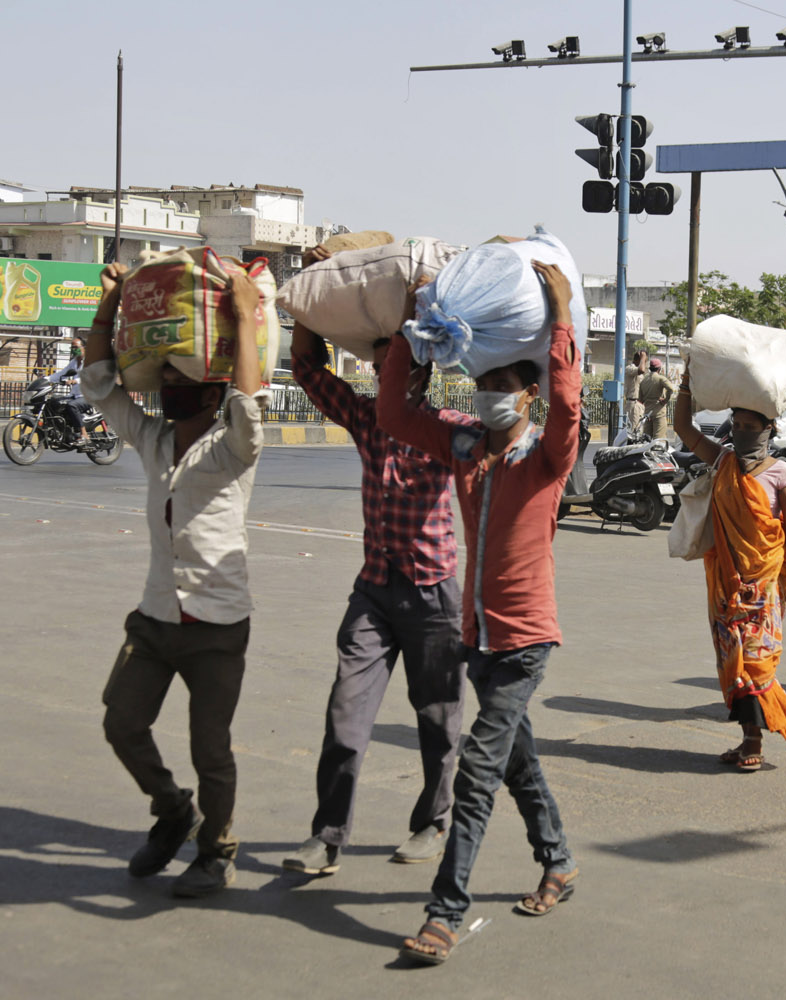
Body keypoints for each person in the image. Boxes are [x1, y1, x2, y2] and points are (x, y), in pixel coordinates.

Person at [384, 261, 580, 965]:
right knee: (519, 762)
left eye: (506, 385)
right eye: (486, 382)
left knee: (478, 771)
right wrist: (415, 335)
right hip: (479, 639)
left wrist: (559, 319)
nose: (492, 393)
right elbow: (395, 415)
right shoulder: (467, 450)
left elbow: (568, 409)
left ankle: (445, 912)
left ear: (529, 394)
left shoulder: (546, 459)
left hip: (526, 640)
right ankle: (558, 861)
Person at [82, 261, 267, 897]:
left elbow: (248, 407)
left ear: (209, 392)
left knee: (210, 748)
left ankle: (217, 850)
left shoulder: (231, 450)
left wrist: (242, 314)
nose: (168, 385)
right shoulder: (153, 441)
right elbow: (100, 384)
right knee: (120, 722)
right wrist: (110, 308)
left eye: (180, 379)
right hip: (157, 618)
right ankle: (172, 811)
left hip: (217, 625)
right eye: (164, 379)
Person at [280, 253, 467, 876]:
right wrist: (304, 296)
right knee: (344, 717)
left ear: (418, 369)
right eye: (381, 361)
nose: (383, 370)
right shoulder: (364, 418)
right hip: (375, 592)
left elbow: (510, 430)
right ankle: (327, 836)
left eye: (396, 360)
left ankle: (433, 822)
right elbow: (306, 366)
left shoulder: (446, 427)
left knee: (439, 722)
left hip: (434, 593)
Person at [673, 369, 786, 770]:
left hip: (765, 584)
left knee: (756, 660)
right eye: (736, 425)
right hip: (725, 583)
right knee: (732, 659)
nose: (741, 433)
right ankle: (748, 738)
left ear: (769, 429)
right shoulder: (722, 460)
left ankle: (754, 741)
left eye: (750, 427)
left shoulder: (782, 474)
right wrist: (687, 381)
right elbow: (683, 427)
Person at [637, 358, 674, 441]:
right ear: (659, 369)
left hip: (647, 414)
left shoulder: (644, 380)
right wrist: (665, 400)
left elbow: (640, 399)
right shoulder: (661, 379)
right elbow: (671, 389)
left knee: (646, 440)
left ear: (650, 368)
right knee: (659, 440)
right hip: (659, 413)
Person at [624, 350, 647, 434]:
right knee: (634, 432)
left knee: (639, 431)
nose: (645, 363)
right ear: (638, 360)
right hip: (633, 404)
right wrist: (643, 357)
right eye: (644, 361)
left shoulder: (639, 371)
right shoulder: (630, 368)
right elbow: (641, 370)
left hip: (639, 404)